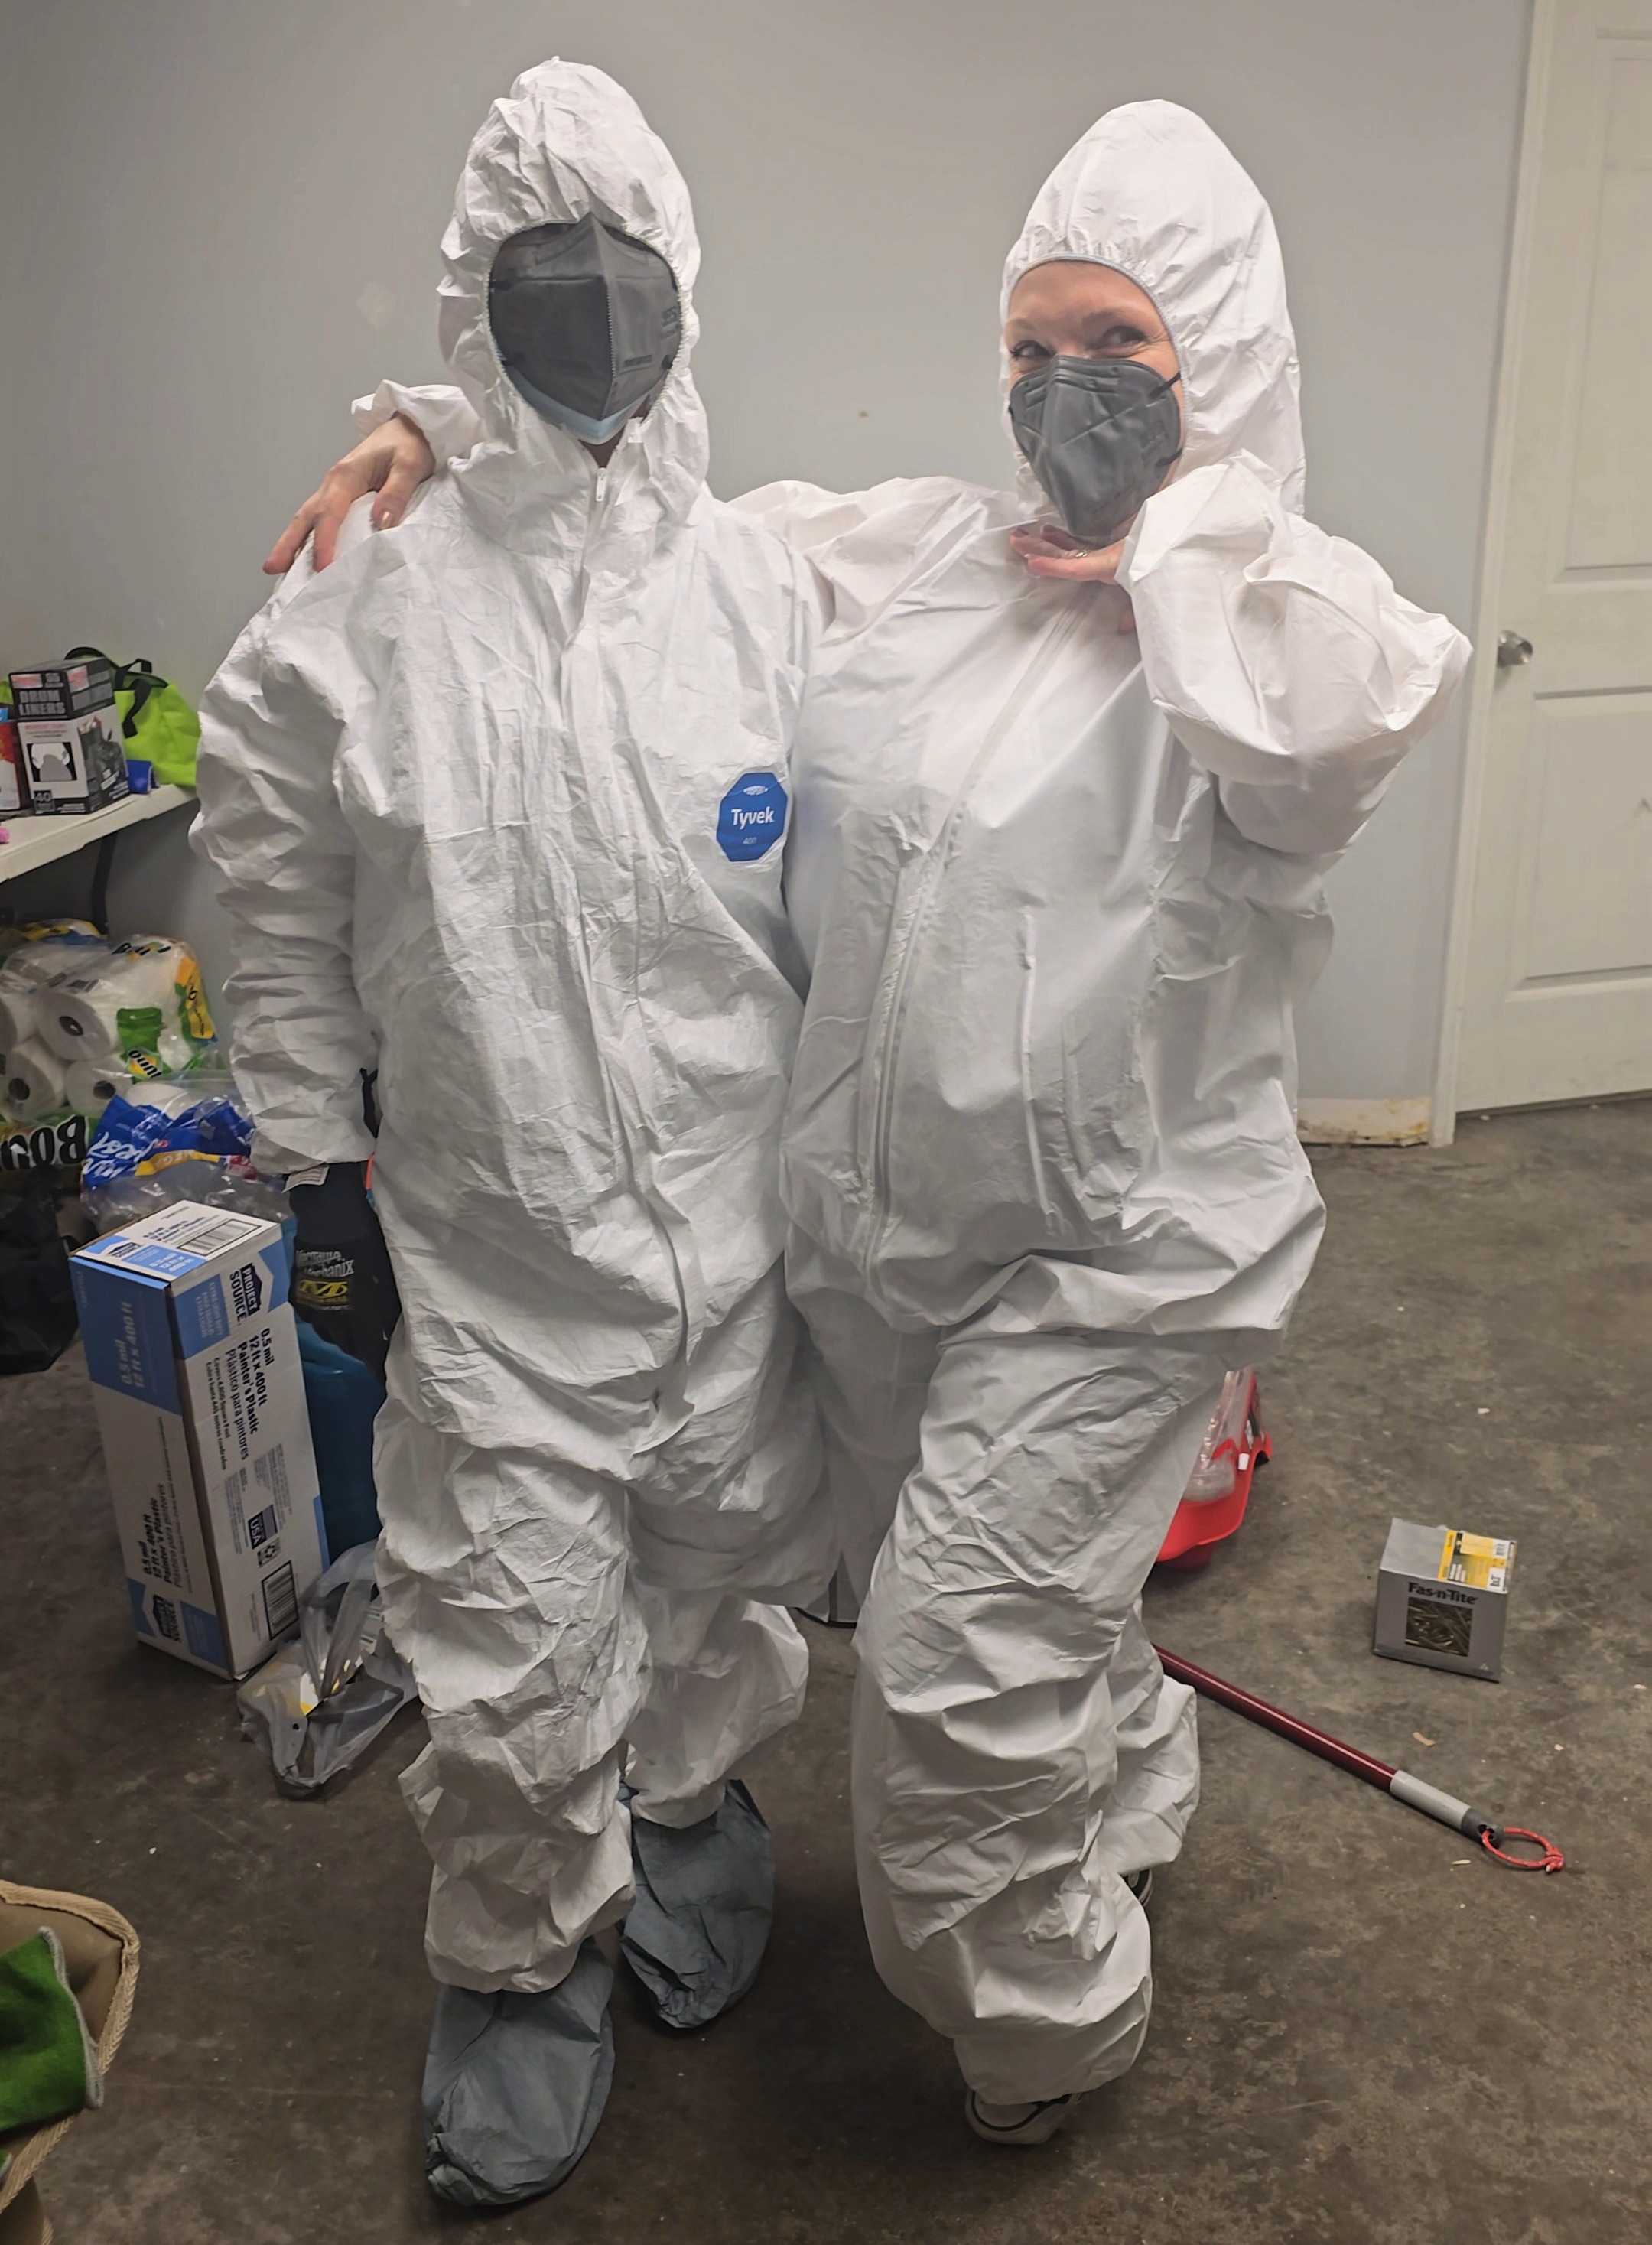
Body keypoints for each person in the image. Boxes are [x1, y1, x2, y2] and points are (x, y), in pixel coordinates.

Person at [278, 100, 1468, 2149]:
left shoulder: (1288, 619)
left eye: (1123, 345)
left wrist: (1179, 533)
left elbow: (1319, 731)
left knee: (941, 1704)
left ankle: (1048, 2033)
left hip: (1113, 1266)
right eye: (1032, 347)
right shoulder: (919, 552)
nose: (1068, 390)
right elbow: (630, 532)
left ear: (1223, 354)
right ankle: (1127, 1781)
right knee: (1010, 1614)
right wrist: (445, 428)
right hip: (895, 1249)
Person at [192, 61, 834, 2209]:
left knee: (718, 1594)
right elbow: (279, 914)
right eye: (549, 270)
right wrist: (314, 1172)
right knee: (511, 1657)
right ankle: (517, 1973)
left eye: (629, 267)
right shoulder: (358, 602)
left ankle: (694, 1823)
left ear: (689, 288)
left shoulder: (765, 586)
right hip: (495, 1267)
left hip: (735, 1255)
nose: (597, 308)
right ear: (475, 296)